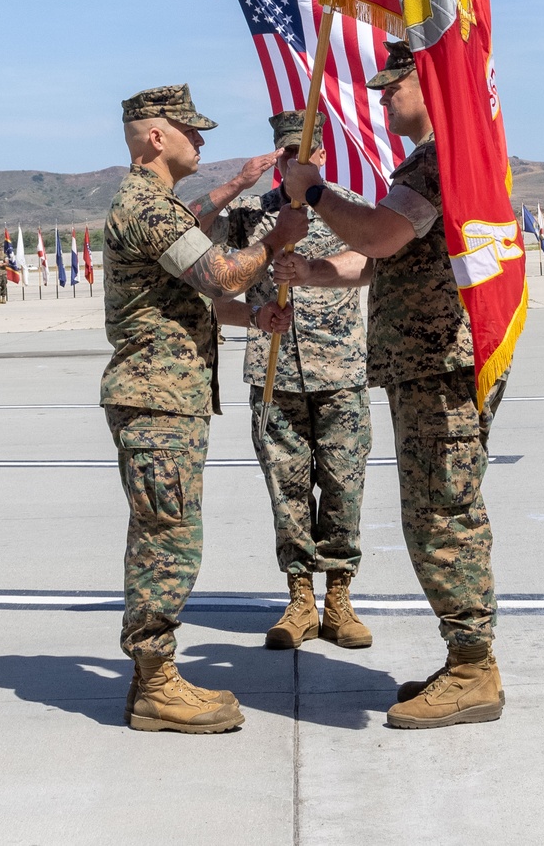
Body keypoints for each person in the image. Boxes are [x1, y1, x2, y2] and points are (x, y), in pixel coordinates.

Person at [274, 40, 508, 730]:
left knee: (443, 514)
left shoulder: (440, 159)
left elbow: (379, 235)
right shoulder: (437, 160)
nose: (381, 98)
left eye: (392, 85)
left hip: (440, 365)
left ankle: (473, 668)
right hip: (427, 365)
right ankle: (466, 658)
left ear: (427, 83)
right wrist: (316, 273)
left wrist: (313, 191)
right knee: (435, 510)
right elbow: (385, 255)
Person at [101, 83, 306, 735]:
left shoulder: (157, 205)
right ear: (157, 137)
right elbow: (219, 273)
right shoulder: (147, 206)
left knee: (169, 533)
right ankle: (156, 685)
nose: (203, 140)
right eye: (193, 130)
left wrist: (253, 316)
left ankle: (153, 679)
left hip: (168, 396)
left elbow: (199, 300)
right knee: (169, 540)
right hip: (155, 398)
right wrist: (276, 243)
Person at [209, 109, 372, 652]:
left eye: (303, 152)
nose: (294, 162)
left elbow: (370, 260)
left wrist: (313, 270)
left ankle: (340, 598)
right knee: (288, 490)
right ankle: (300, 598)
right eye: (284, 155)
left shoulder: (345, 208)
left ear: (321, 154)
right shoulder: (253, 215)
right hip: (274, 373)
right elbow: (201, 263)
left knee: (344, 487)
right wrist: (236, 185)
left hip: (340, 370)